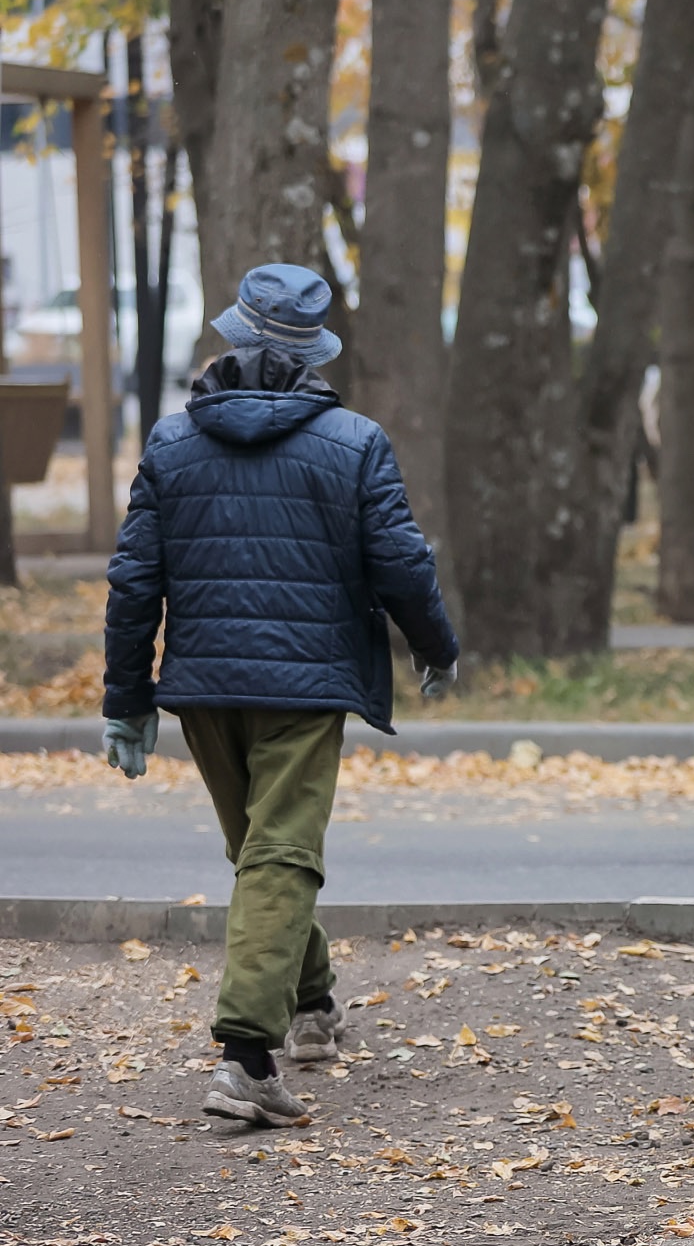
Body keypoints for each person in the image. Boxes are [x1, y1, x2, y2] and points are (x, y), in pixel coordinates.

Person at [102, 264, 459, 1129]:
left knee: (265, 852)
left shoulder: (170, 443)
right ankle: (246, 1059)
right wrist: (436, 646)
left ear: (232, 337)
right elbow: (402, 563)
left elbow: (133, 580)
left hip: (204, 688)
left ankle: (312, 1006)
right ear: (313, 357)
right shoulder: (355, 442)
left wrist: (129, 696)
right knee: (280, 855)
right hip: (305, 686)